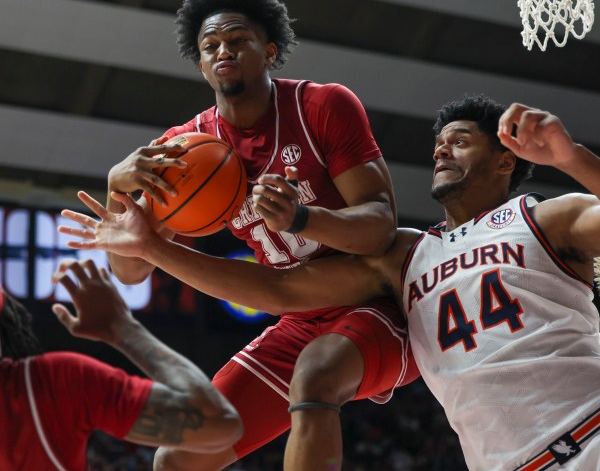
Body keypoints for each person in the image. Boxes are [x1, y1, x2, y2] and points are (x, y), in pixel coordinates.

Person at [61, 96, 600, 470]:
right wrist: (155, 247)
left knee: (315, 377)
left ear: (506, 159)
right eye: (437, 143)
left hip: (591, 435)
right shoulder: (406, 255)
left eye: (458, 142)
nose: (440, 150)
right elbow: (279, 293)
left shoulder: (550, 218)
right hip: (510, 464)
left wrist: (571, 157)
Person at [100, 0, 418, 470]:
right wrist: (119, 187)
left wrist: (304, 218)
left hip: (379, 300)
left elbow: (380, 227)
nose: (222, 51)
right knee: (178, 458)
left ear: (269, 51)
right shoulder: (185, 148)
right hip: (298, 313)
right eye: (211, 46)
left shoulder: (322, 106)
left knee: (314, 378)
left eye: (237, 40)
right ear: (202, 65)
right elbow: (130, 270)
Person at [0, 259, 242, 471]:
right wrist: (123, 329)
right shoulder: (50, 383)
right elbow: (219, 423)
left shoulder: (50, 383)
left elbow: (220, 425)